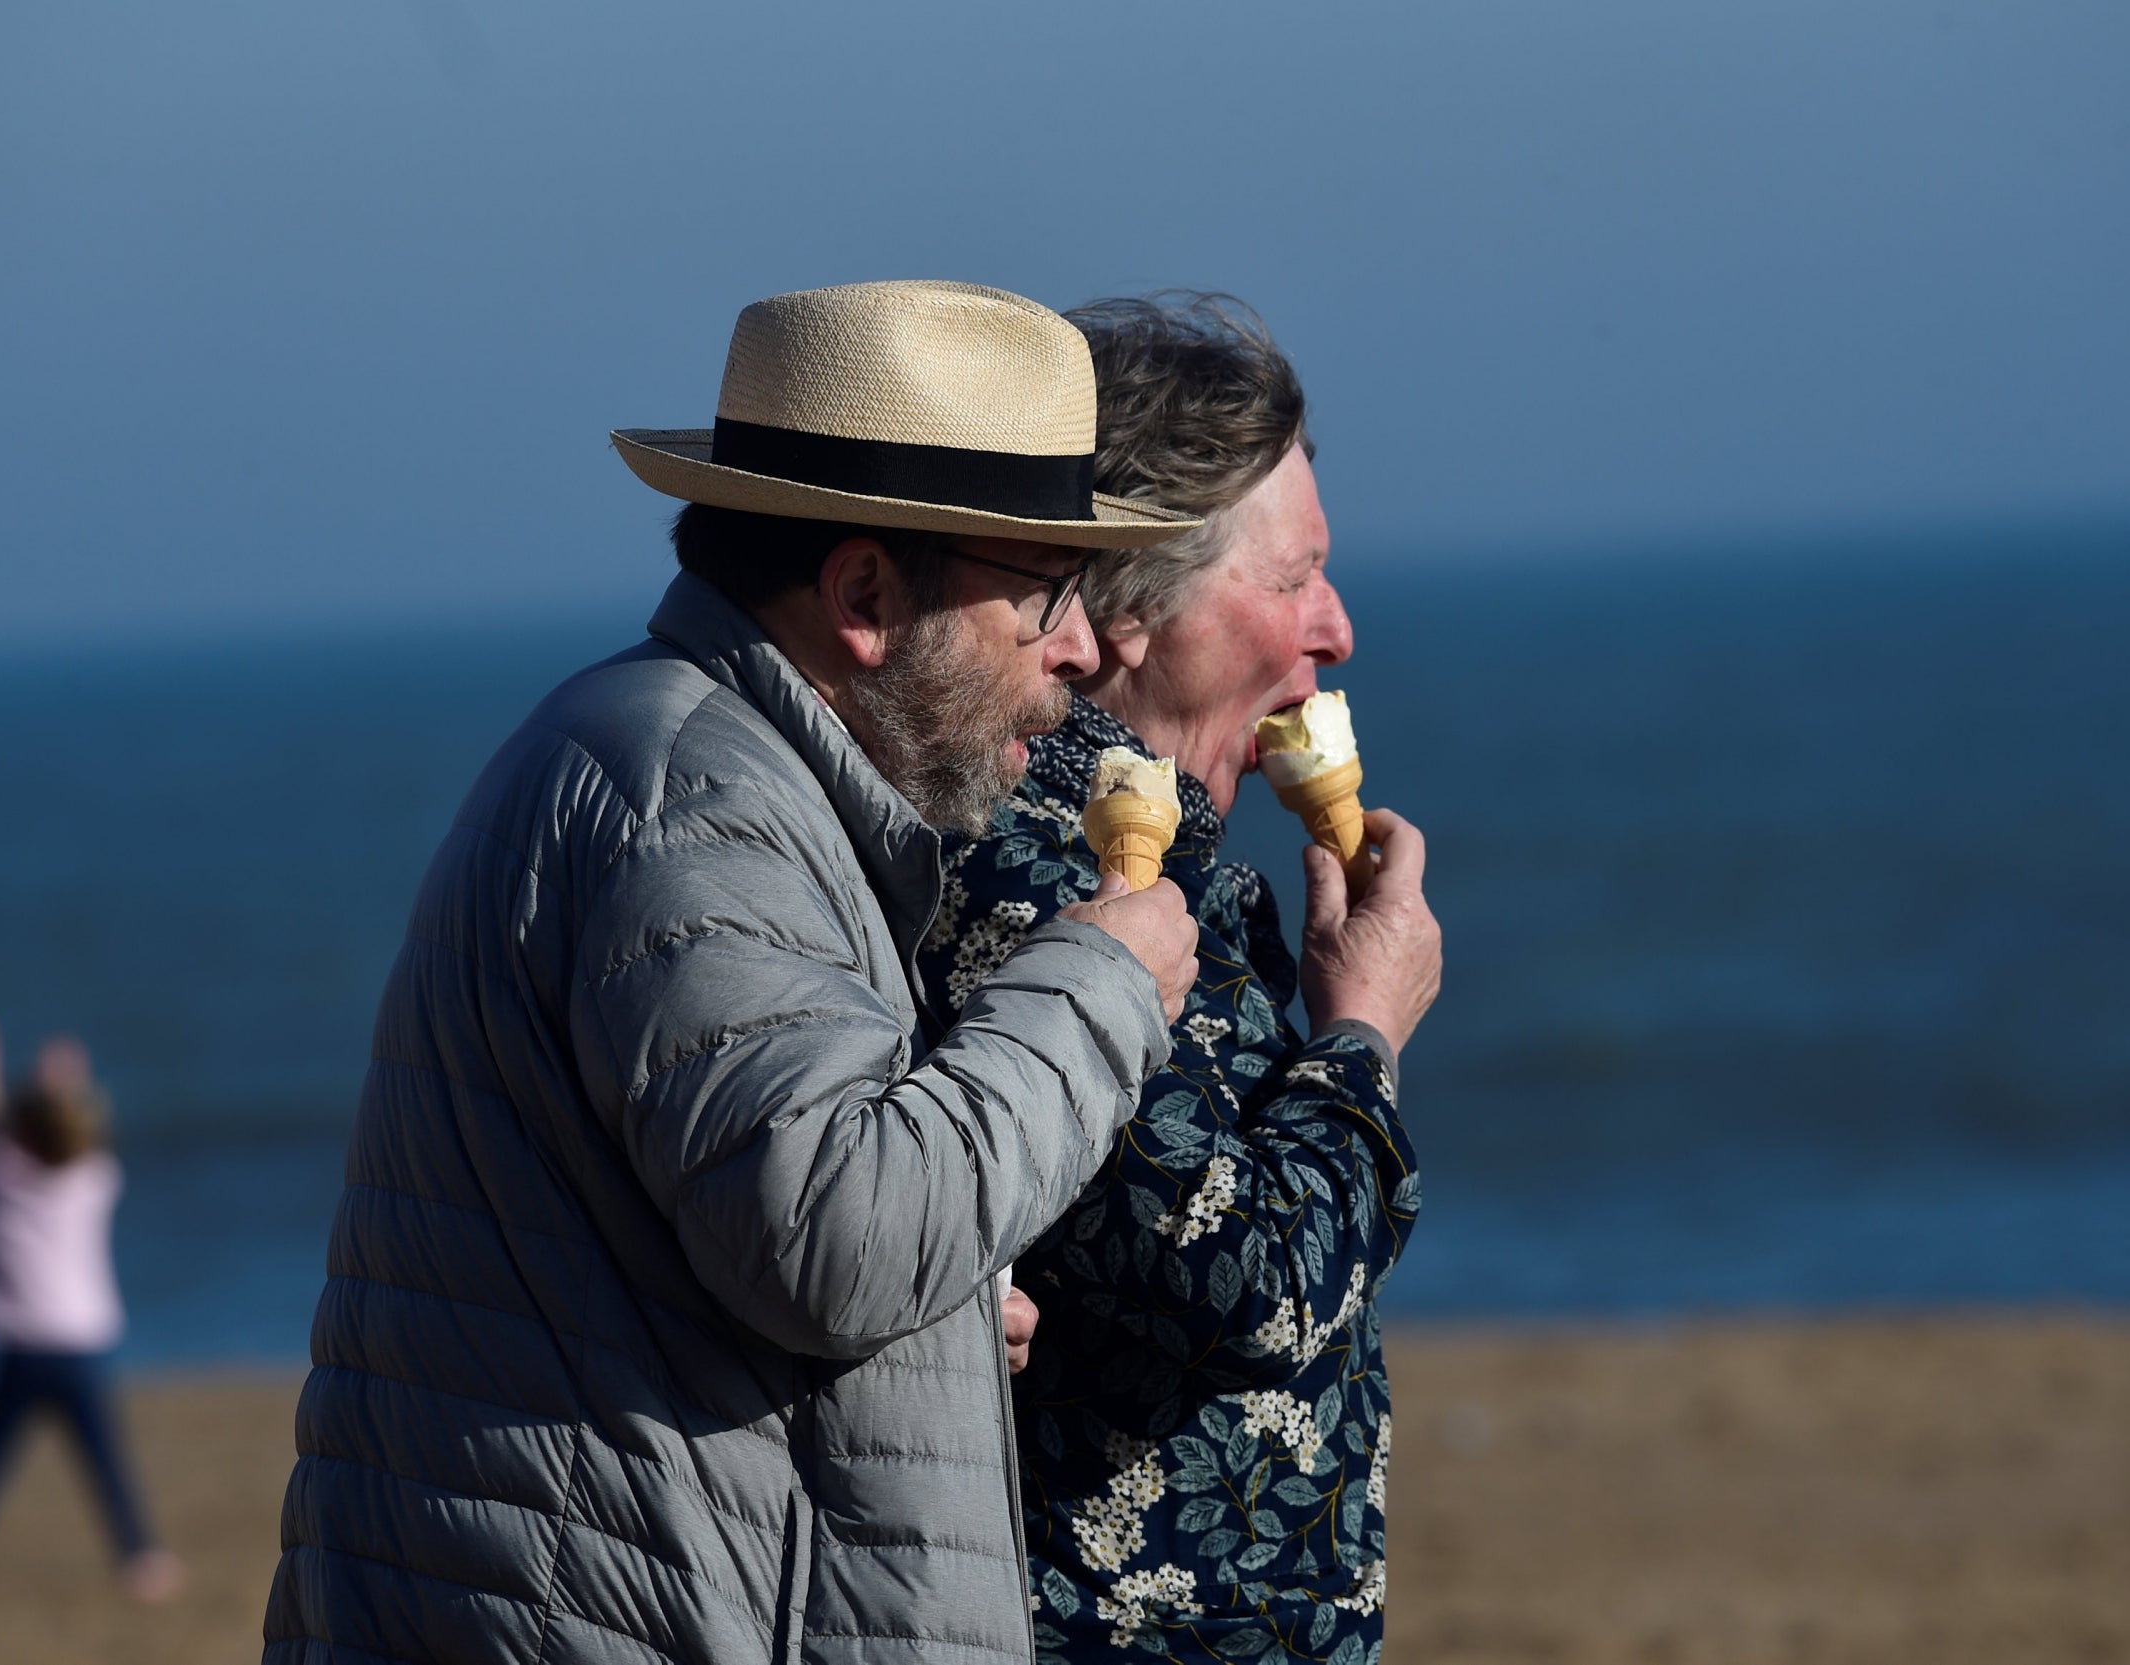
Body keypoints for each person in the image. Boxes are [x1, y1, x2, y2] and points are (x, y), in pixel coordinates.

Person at [264, 281, 1205, 1665]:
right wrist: (1100, 987)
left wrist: (934, 1327)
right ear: (867, 596)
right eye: (1044, 592)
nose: (1083, 649)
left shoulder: (708, 769)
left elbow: (746, 1227)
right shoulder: (693, 798)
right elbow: (838, 1238)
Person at [914, 294, 1444, 1661]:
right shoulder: (1040, 887)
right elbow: (1250, 1289)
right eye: (1289, 582)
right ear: (1131, 610)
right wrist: (1364, 1037)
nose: (1336, 630)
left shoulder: (1198, 884)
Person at [0, 1015, 182, 1602]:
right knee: (105, 1461)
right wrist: (67, 1084)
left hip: (18, 1344)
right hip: (76, 1345)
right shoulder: (92, 1180)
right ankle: (141, 1560)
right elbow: (82, 1129)